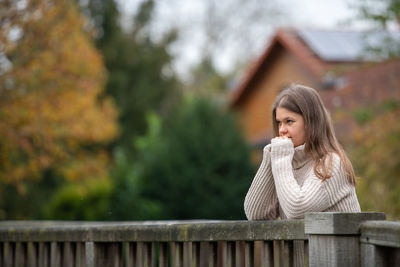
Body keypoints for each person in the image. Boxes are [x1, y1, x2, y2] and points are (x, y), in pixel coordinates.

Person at [244, 84, 361, 220]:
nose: (281, 130)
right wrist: (270, 158)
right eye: (279, 123)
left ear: (311, 122)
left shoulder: (332, 163)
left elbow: (297, 209)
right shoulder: (287, 164)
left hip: (334, 242)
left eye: (289, 121)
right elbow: (255, 214)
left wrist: (280, 158)